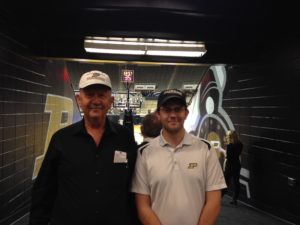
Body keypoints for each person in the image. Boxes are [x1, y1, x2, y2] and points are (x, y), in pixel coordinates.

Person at [29, 70, 137, 225]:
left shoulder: (125, 137)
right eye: (90, 94)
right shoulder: (61, 139)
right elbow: (43, 191)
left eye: (101, 95)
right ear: (79, 99)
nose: (96, 100)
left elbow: (133, 186)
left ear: (111, 100)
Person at [131, 89, 227, 225]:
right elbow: (142, 206)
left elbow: (214, 201)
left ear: (186, 113)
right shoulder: (145, 153)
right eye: (167, 110)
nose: (173, 115)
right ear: (159, 114)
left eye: (178, 109)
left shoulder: (205, 149)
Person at [222, 130, 243, 205]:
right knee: (236, 182)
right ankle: (235, 199)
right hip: (237, 165)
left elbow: (227, 156)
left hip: (230, 165)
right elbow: (237, 154)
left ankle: (219, 198)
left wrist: (223, 150)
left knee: (225, 183)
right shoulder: (240, 144)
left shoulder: (229, 145)